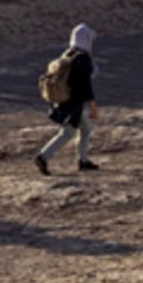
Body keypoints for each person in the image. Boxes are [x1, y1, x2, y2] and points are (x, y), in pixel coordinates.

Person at [34, 24, 99, 175]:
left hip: (64, 101)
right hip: (74, 104)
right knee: (68, 133)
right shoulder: (82, 59)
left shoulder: (68, 53)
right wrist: (93, 104)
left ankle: (83, 161)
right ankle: (43, 157)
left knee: (86, 129)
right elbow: (85, 85)